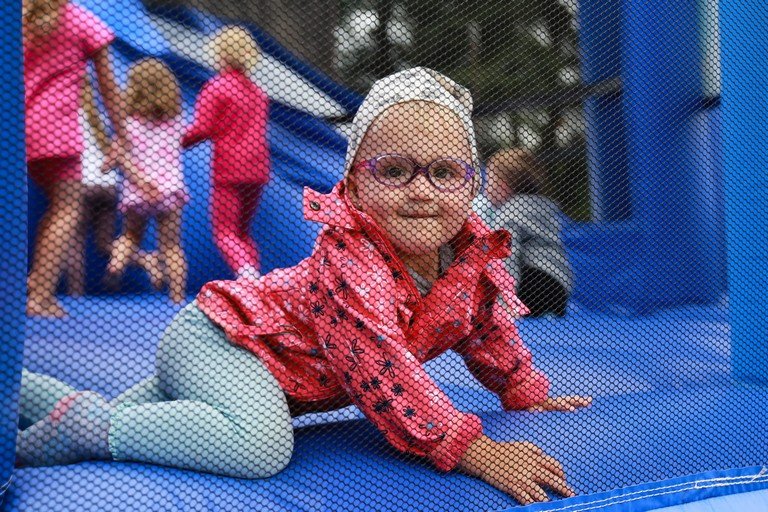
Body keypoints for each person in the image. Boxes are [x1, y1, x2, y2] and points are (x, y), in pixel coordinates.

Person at [16, 68, 591, 506]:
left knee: (146, 416)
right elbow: (381, 366)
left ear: (472, 187)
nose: (421, 190)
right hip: (224, 342)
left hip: (253, 374)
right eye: (394, 171)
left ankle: (19, 391)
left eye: (444, 173)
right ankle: (93, 431)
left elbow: (486, 327)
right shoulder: (352, 261)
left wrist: (523, 390)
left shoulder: (468, 259)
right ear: (355, 185)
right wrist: (476, 451)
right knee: (260, 446)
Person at [23, 0, 123, 317]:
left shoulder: (20, 19)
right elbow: (108, 86)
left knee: (57, 207)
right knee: (68, 208)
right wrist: (122, 135)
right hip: (57, 129)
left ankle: (36, 284)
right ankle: (39, 297)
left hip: (20, 127)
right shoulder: (79, 19)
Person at [182, 26, 270, 280]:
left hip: (230, 167)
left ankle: (248, 275)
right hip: (258, 168)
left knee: (224, 232)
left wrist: (169, 141)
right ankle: (256, 282)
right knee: (242, 232)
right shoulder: (257, 92)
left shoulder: (217, 87)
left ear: (220, 54)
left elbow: (202, 128)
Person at [107, 59, 189, 304]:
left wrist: (137, 177)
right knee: (171, 246)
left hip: (137, 193)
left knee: (130, 236)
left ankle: (116, 264)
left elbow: (118, 156)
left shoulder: (127, 125)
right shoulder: (176, 122)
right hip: (169, 190)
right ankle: (177, 296)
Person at [484, 148, 574, 317]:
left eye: (489, 182)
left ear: (503, 186)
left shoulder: (509, 211)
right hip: (560, 286)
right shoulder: (541, 206)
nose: (486, 190)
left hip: (535, 284)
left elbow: (508, 256)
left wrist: (505, 304)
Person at [65, 78, 119, 297]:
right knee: (104, 244)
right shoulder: (100, 117)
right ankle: (144, 259)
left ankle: (75, 294)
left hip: (83, 185)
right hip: (109, 186)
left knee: (76, 241)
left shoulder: (69, 116)